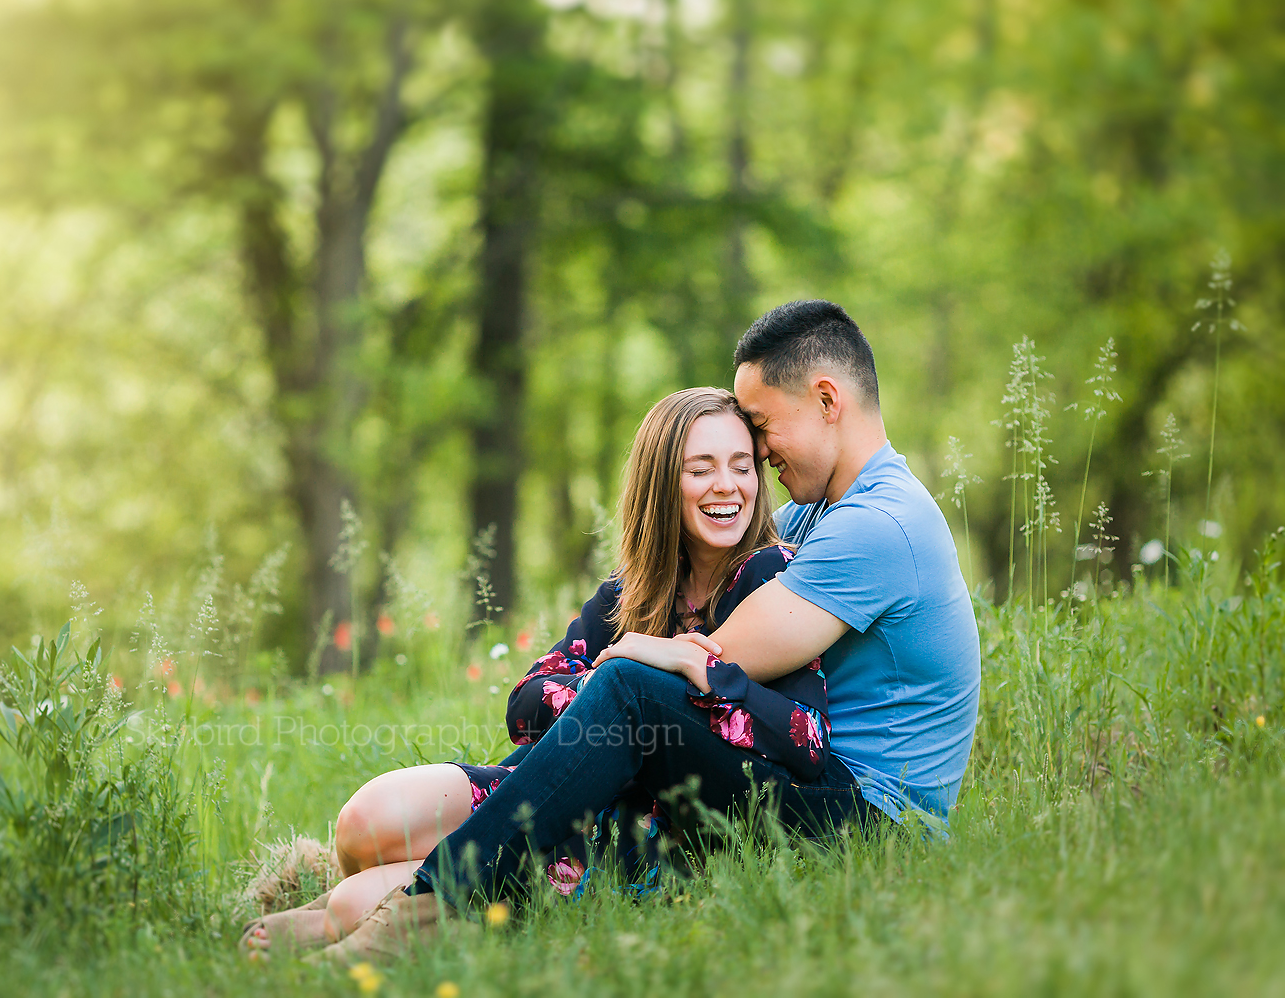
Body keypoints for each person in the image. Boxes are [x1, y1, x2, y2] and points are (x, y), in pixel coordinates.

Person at [319, 299, 980, 963]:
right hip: (803, 789)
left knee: (632, 691)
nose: (759, 455)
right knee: (623, 698)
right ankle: (420, 890)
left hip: (871, 823)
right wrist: (630, 650)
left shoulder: (878, 524)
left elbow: (710, 660)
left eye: (762, 428)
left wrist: (633, 652)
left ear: (827, 399)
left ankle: (427, 901)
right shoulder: (824, 514)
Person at [241, 386, 827, 956]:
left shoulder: (771, 576)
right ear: (662, 483)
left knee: (355, 904)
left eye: (742, 466)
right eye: (701, 469)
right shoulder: (629, 595)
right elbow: (525, 706)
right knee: (366, 822)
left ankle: (361, 917)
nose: (726, 485)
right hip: (559, 785)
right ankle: (376, 903)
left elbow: (805, 739)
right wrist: (622, 664)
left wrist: (685, 671)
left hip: (650, 823)